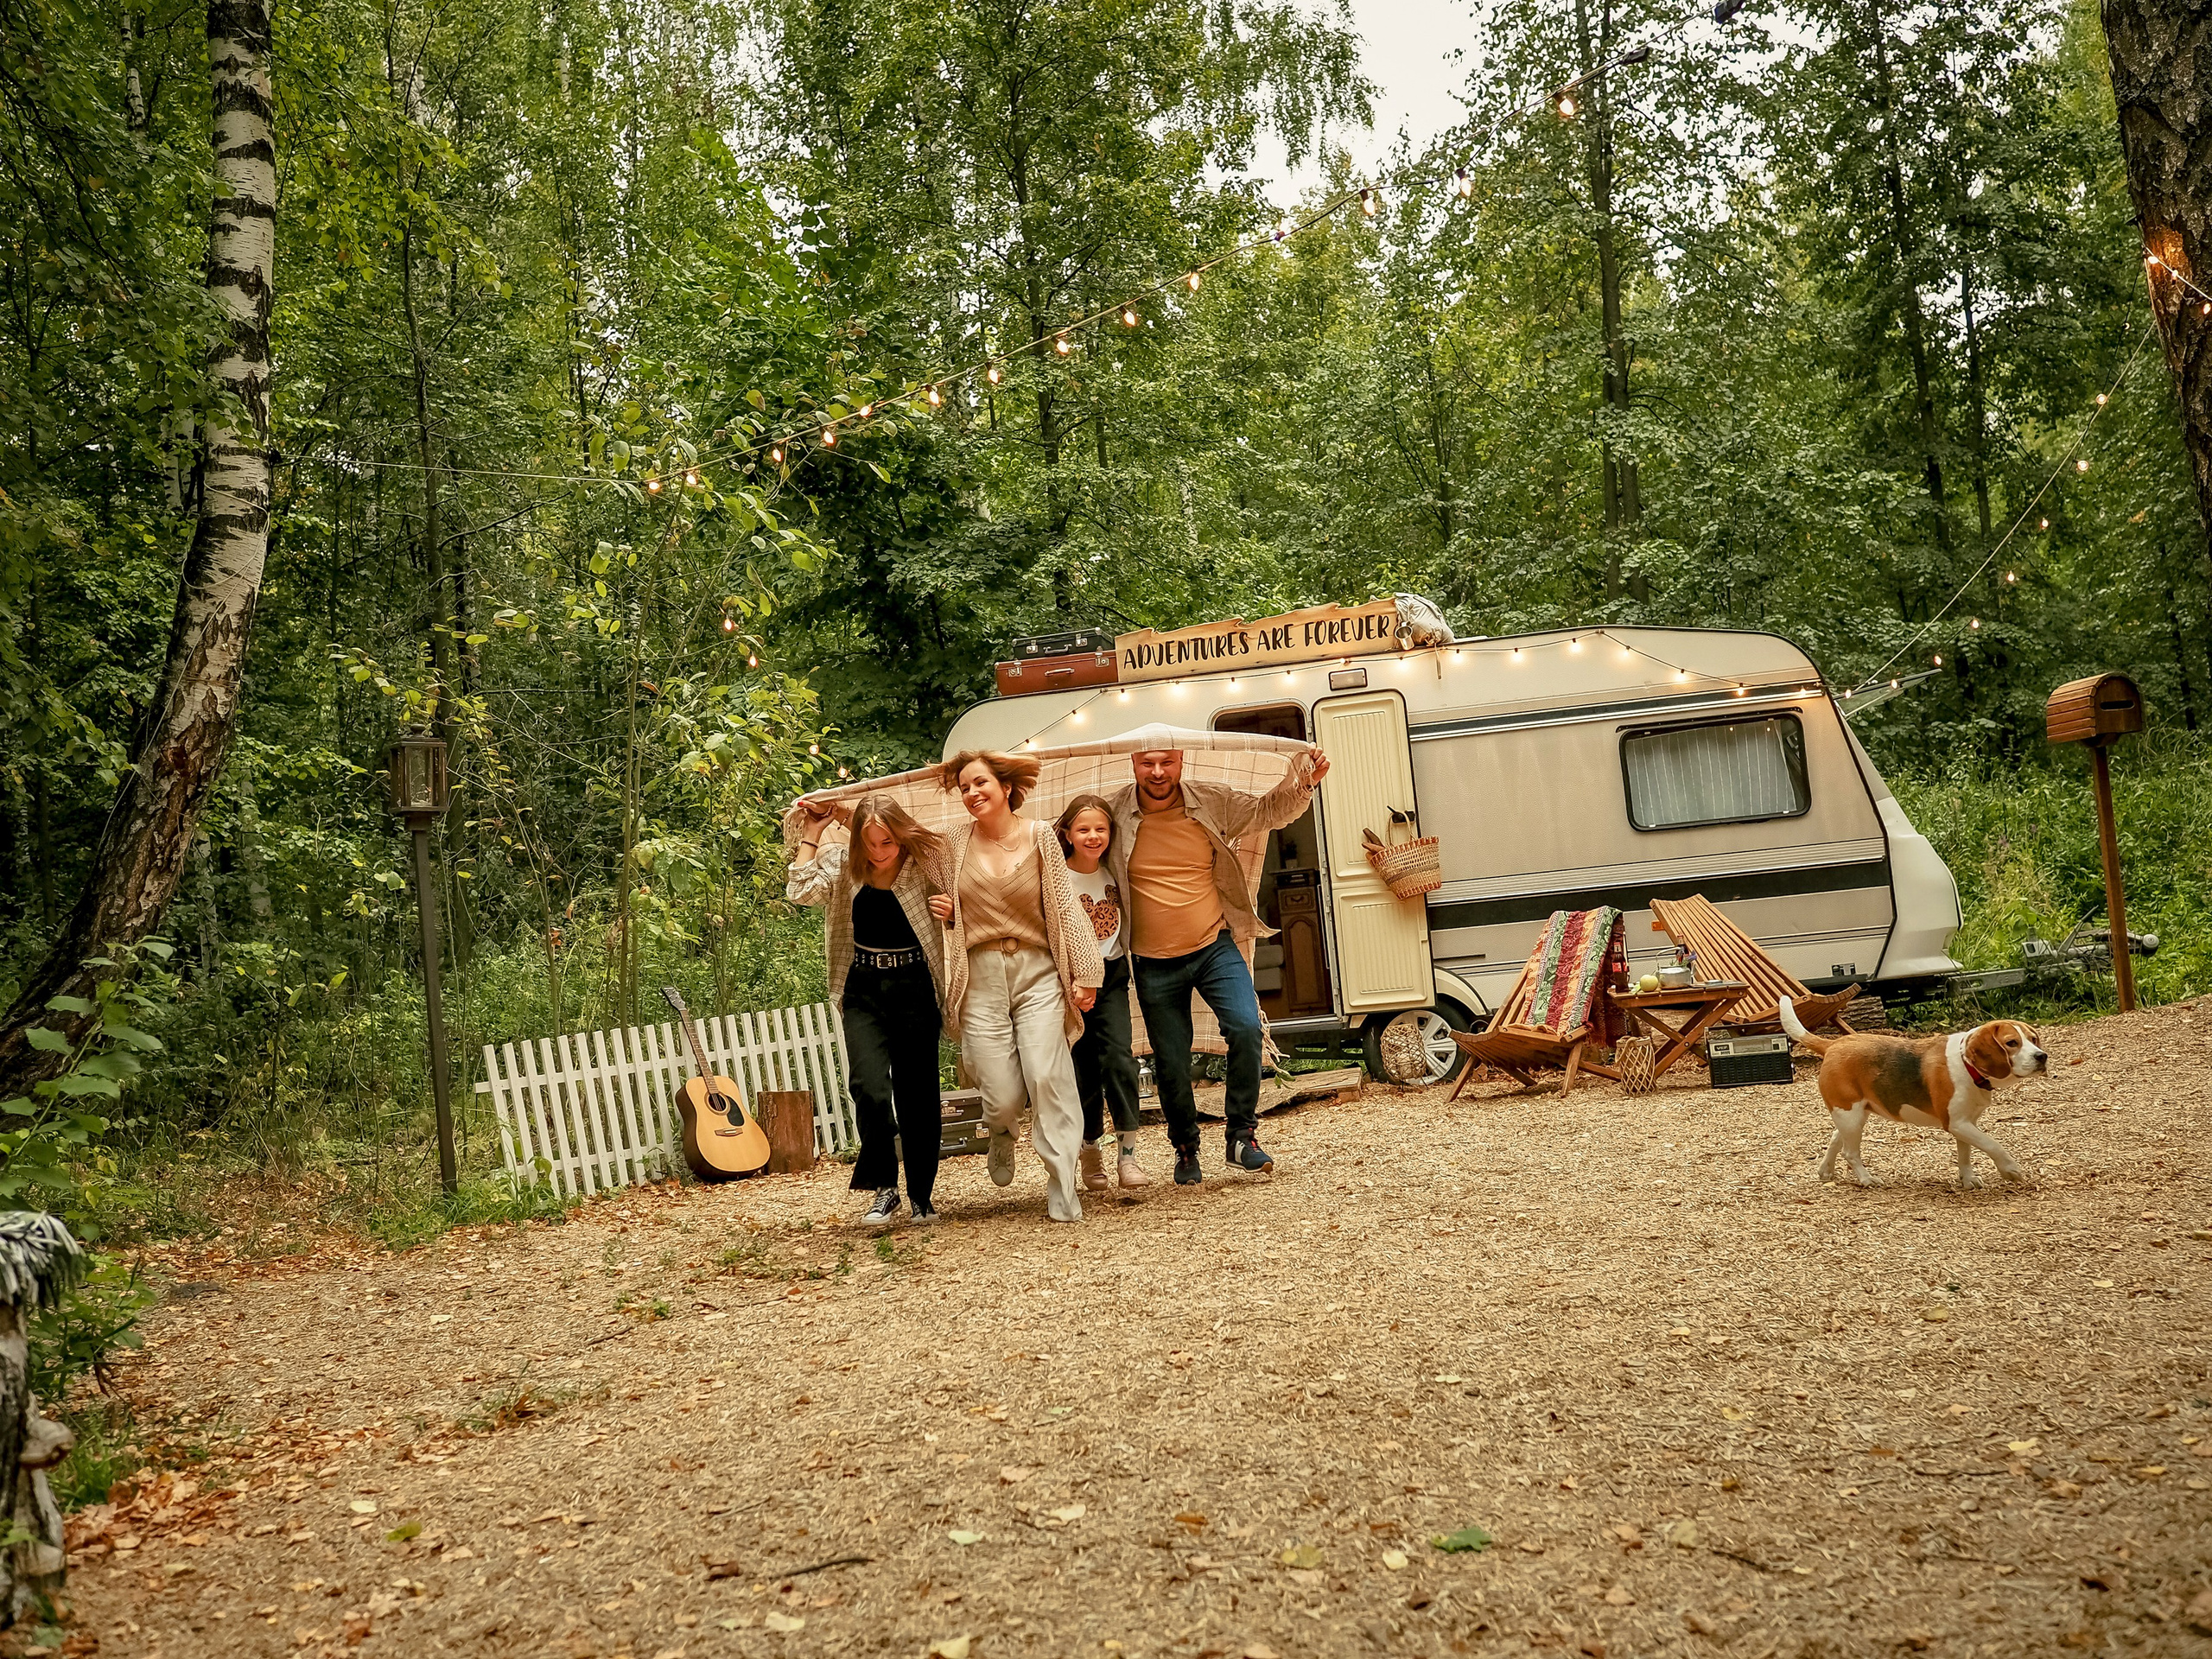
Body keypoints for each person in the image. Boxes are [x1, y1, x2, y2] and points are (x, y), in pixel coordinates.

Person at [1107, 744, 1330, 1185]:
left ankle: (1241, 1137)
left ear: (1180, 762)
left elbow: (1268, 811)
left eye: (1165, 762)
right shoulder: (1113, 813)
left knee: (1246, 1028)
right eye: (1146, 763)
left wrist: (1303, 784)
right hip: (1153, 960)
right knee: (1171, 1060)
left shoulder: (1210, 800)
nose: (1156, 772)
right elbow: (1068, 840)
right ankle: (1186, 1148)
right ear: (1133, 765)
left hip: (1213, 944)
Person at [931, 750, 1103, 1224]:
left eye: (980, 783)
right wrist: (947, 913)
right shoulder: (951, 845)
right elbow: (895, 849)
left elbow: (1065, 907)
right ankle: (1000, 1129)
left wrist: (1086, 974)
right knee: (1002, 1092)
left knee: (1047, 1076)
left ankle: (1061, 1181)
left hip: (1038, 971)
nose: (971, 793)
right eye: (964, 787)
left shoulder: (1041, 835)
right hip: (980, 974)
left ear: (1006, 787)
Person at [787, 792, 950, 1228]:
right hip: (863, 985)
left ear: (901, 837)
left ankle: (921, 1194)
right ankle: (884, 1186)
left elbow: (952, 853)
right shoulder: (843, 863)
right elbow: (800, 891)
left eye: (887, 843)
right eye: (869, 843)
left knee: (918, 1094)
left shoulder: (922, 864)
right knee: (869, 1086)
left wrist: (952, 910)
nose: (878, 853)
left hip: (915, 986)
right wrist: (814, 831)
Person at [1054, 795, 1149, 1192]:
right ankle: (1089, 1149)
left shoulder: (1114, 872)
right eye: (1084, 829)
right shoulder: (1056, 877)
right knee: (1082, 1070)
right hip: (1070, 982)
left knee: (1119, 1060)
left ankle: (1127, 1153)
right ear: (1067, 834)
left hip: (1110, 977)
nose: (1093, 836)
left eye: (1101, 829)